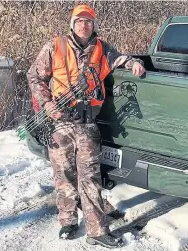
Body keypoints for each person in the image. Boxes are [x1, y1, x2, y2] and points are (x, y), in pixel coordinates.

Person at [27, 4, 145, 248]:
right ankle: (67, 221)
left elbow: (122, 59)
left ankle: (96, 231)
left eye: (89, 21)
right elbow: (35, 76)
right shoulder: (55, 46)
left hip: (86, 123)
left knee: (90, 178)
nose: (84, 25)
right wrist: (47, 104)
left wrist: (134, 63)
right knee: (63, 175)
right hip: (58, 122)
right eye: (79, 21)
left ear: (94, 25)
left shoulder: (102, 49)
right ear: (72, 24)